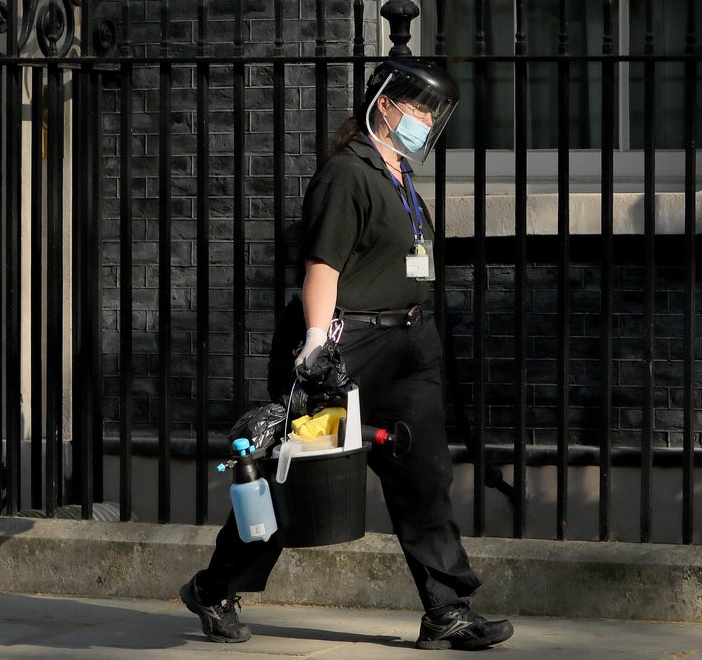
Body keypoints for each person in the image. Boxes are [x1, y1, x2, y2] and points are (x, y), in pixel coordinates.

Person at [180, 57, 514, 651]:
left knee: (424, 477)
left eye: (434, 112)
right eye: (420, 108)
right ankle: (213, 587)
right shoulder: (347, 173)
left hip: (408, 348)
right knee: (301, 480)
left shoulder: (397, 175)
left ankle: (446, 610)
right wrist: (313, 345)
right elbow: (323, 265)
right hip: (345, 344)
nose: (428, 121)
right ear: (384, 105)